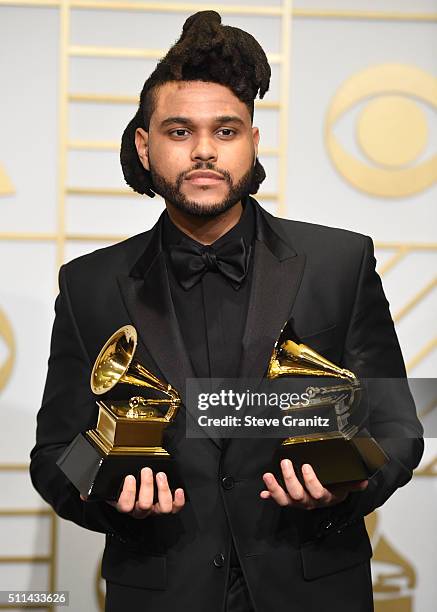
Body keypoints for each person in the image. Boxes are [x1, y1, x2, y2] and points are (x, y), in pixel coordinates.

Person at [30, 10, 423, 612]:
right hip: (163, 592)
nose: (206, 151)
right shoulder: (88, 284)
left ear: (253, 143)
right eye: (180, 131)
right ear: (145, 143)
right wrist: (107, 495)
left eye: (227, 131)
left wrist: (345, 487)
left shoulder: (339, 261)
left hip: (315, 588)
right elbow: (57, 453)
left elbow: (397, 425)